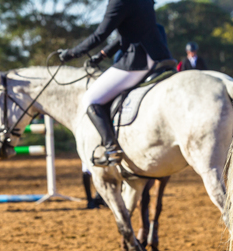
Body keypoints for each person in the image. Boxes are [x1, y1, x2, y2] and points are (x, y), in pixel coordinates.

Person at [58, 0, 172, 167]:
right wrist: (103, 54)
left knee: (90, 99)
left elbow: (100, 34)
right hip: (159, 55)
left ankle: (111, 148)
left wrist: (72, 53)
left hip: (137, 60)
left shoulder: (119, 2)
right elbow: (131, 31)